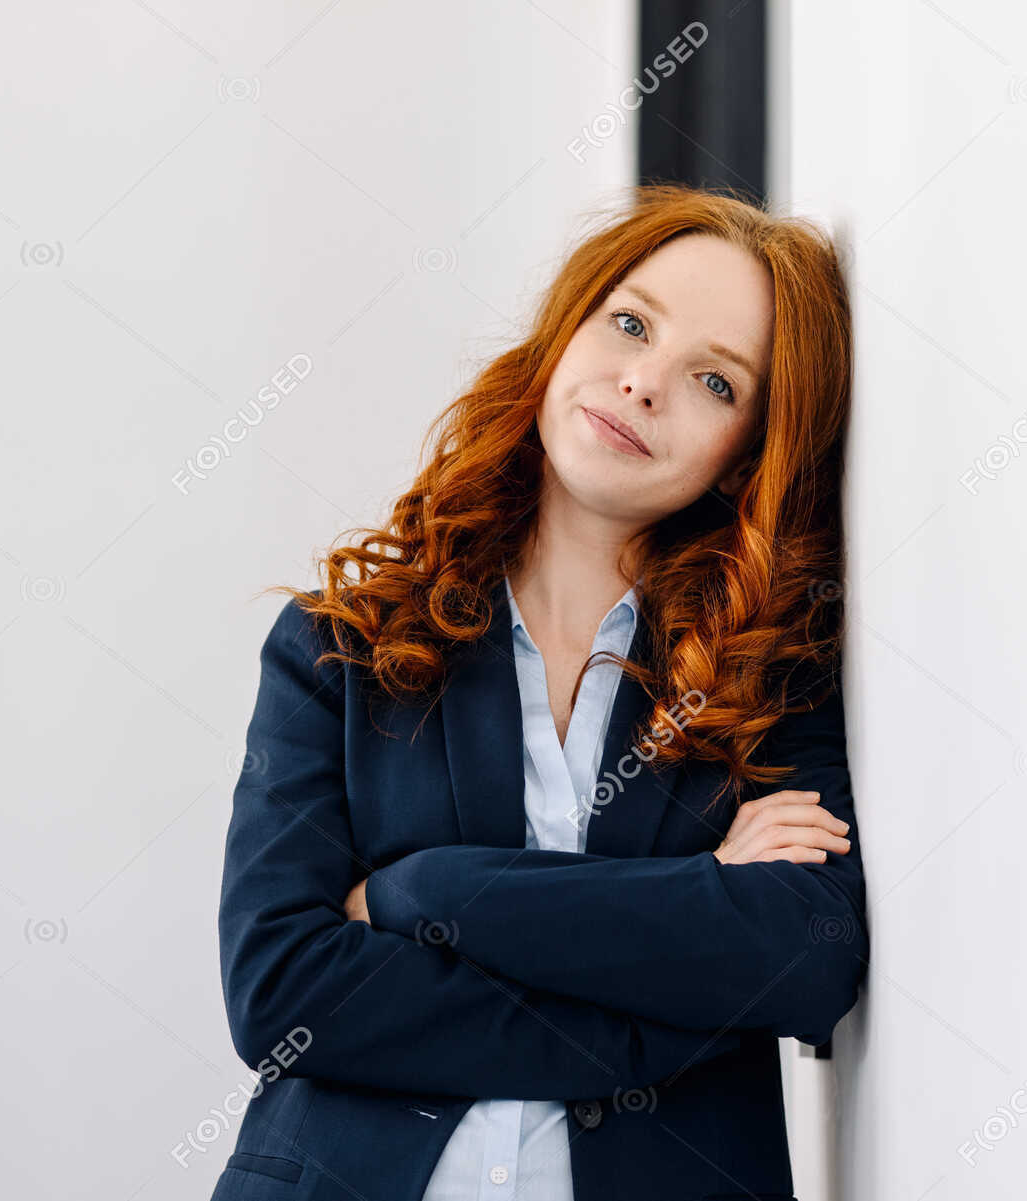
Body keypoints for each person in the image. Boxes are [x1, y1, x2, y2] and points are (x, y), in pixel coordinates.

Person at [213, 184, 866, 1201]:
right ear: (567, 332)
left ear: (750, 457)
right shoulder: (340, 647)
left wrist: (422, 892)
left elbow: (808, 957)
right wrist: (665, 1005)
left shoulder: (769, 674)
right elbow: (283, 991)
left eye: (715, 381)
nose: (645, 383)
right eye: (632, 323)